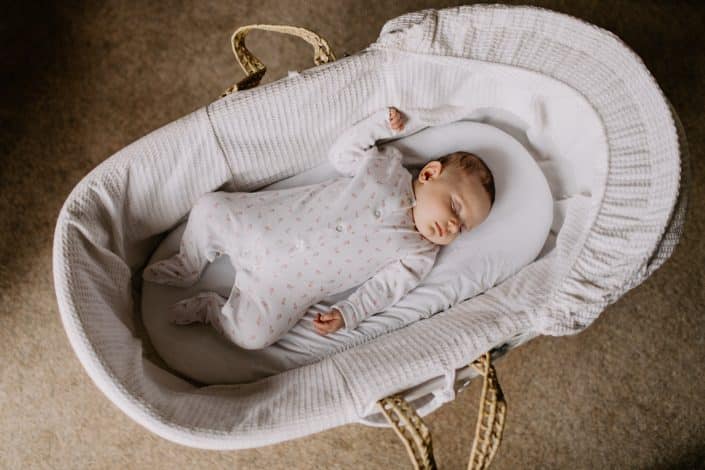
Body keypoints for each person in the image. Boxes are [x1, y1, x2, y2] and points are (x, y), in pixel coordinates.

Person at [142, 107, 495, 349]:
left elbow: (385, 290)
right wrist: (379, 125)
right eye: (454, 207)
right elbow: (342, 154)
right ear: (429, 174)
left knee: (252, 336)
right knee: (209, 207)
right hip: (265, 225)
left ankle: (210, 310)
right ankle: (188, 263)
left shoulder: (418, 253)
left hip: (283, 287)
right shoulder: (388, 169)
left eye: (462, 227)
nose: (452, 226)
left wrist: (349, 312)